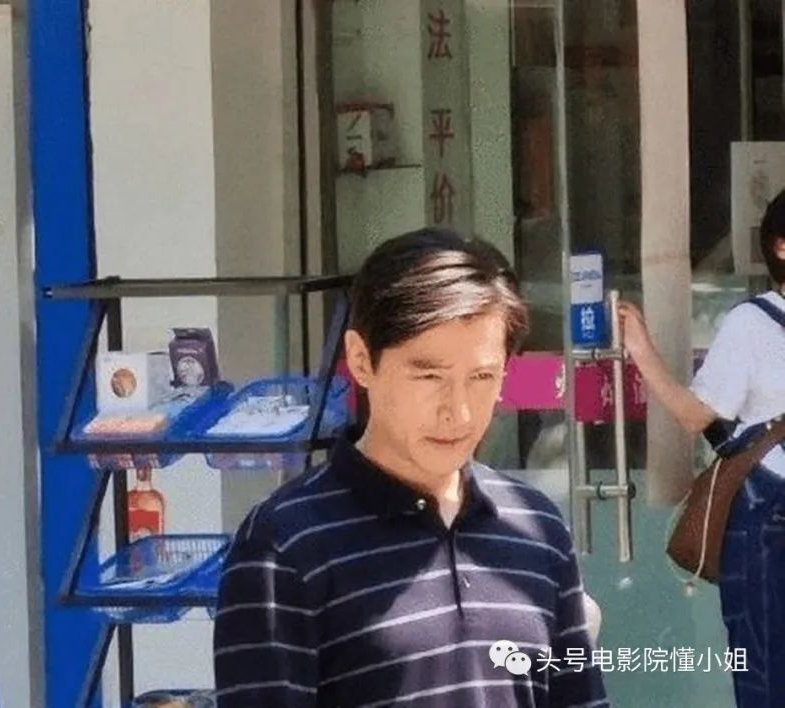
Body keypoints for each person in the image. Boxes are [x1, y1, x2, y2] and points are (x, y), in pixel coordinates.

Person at [214, 229, 608, 707]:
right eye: (429, 375)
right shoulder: (284, 544)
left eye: (482, 377)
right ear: (361, 359)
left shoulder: (538, 528)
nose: (458, 411)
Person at [618, 190, 785, 708]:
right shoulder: (754, 323)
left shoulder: (752, 324)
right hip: (770, 510)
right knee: (768, 678)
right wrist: (642, 352)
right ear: (781, 247)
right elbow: (698, 416)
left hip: (769, 513)